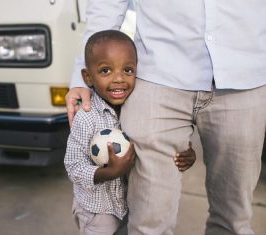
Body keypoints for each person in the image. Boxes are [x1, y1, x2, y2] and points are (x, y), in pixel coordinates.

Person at [66, 1, 266, 235]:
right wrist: (83, 76)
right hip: (158, 74)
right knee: (148, 223)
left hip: (246, 75)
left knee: (234, 221)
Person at [64, 30, 197, 235]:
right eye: (106, 70)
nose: (119, 79)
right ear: (88, 77)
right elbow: (73, 166)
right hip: (98, 211)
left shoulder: (139, 109)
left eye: (127, 70)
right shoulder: (87, 116)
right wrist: (108, 172)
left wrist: (186, 153)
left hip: (128, 205)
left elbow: (159, 141)